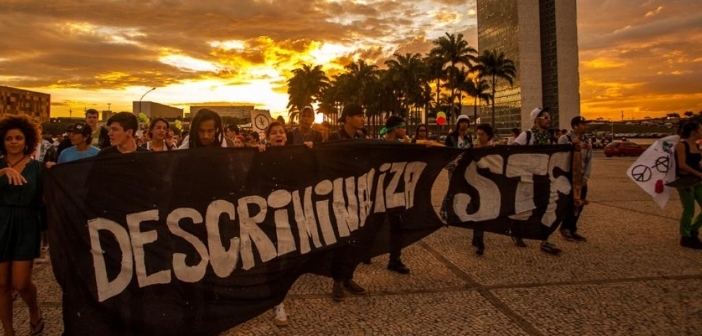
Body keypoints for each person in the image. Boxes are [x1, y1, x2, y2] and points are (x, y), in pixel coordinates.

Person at [0, 115, 45, 336]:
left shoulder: (38, 168)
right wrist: (2, 172)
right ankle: (8, 332)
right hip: (0, 223)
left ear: (27, 141)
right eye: (9, 138)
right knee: (1, 285)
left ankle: (34, 310)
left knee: (20, 282)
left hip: (26, 225)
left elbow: (47, 199)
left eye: (18, 137)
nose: (14, 142)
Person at [325, 103, 368, 301]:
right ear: (348, 118)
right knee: (340, 240)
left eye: (362, 115)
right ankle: (337, 281)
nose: (362, 119)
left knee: (355, 240)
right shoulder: (335, 138)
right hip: (338, 197)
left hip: (357, 196)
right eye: (358, 115)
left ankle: (348, 277)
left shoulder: (361, 138)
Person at [511, 107, 562, 255]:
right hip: (527, 179)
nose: (548, 120)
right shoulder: (526, 136)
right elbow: (513, 152)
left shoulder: (549, 138)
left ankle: (544, 240)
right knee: (523, 207)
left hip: (543, 178)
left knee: (545, 208)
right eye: (545, 117)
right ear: (536, 120)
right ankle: (517, 231)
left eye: (548, 117)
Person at [558, 116, 592, 242]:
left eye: (585, 124)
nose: (585, 127)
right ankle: (565, 227)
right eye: (582, 124)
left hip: (581, 178)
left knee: (580, 204)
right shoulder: (565, 138)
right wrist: (572, 145)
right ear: (575, 126)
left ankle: (573, 228)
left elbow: (589, 161)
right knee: (569, 204)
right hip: (568, 177)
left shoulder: (587, 141)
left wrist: (586, 177)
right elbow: (559, 156)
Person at [674, 121, 702, 249]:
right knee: (689, 210)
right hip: (685, 181)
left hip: (697, 180)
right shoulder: (681, 145)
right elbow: (682, 164)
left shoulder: (696, 145)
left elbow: (696, 163)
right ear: (693, 132)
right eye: (700, 129)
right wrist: (698, 173)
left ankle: (692, 230)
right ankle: (685, 237)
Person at [440, 115, 473, 220]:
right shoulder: (451, 137)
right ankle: (444, 209)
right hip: (453, 166)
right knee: (452, 188)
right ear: (458, 124)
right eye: (462, 122)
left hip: (465, 166)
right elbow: (446, 151)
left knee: (465, 188)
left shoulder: (468, 137)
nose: (464, 124)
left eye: (466, 122)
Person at [471, 124, 496, 256]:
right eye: (478, 134)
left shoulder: (493, 149)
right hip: (475, 184)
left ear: (488, 136)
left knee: (483, 213)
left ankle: (478, 238)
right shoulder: (474, 148)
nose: (479, 137)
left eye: (482, 134)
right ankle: (478, 238)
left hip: (488, 185)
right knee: (477, 211)